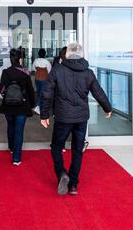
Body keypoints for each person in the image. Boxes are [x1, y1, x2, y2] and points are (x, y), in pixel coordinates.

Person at [40, 43, 112, 195]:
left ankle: (61, 173)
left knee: (56, 147)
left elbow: (47, 93)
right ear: (81, 55)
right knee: (77, 150)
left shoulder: (57, 70)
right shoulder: (88, 72)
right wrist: (107, 108)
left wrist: (44, 114)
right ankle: (73, 185)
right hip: (81, 118)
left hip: (63, 117)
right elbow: (98, 92)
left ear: (67, 55)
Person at [0, 48, 35, 166]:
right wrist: (32, 104)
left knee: (10, 126)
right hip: (22, 106)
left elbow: (1, 89)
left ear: (10, 59)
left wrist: (8, 96)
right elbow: (30, 91)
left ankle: (11, 147)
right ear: (20, 59)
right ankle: (16, 158)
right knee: (19, 130)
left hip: (8, 106)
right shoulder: (25, 72)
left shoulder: (6, 72)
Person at [32, 48, 51, 115]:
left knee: (39, 92)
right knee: (42, 93)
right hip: (44, 79)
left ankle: (38, 107)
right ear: (45, 54)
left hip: (37, 79)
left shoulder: (36, 60)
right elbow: (49, 71)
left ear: (38, 54)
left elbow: (33, 69)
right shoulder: (47, 61)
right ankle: (38, 107)